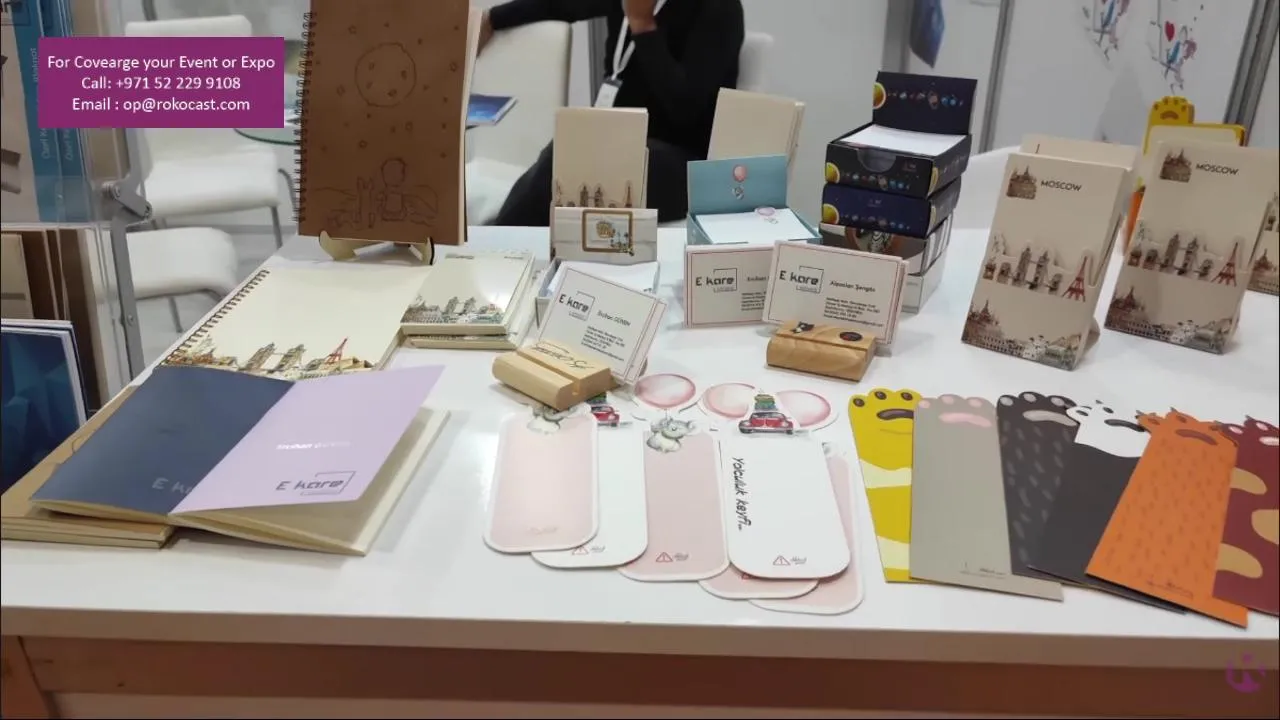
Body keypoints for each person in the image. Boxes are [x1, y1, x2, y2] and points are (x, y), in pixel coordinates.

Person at [481, 0, 745, 226]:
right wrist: (492, 18)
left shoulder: (719, 8)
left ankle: (500, 246)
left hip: (685, 166)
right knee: (563, 154)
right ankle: (501, 242)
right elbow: (561, 4)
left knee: (572, 160)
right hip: (615, 144)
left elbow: (686, 108)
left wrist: (643, 25)